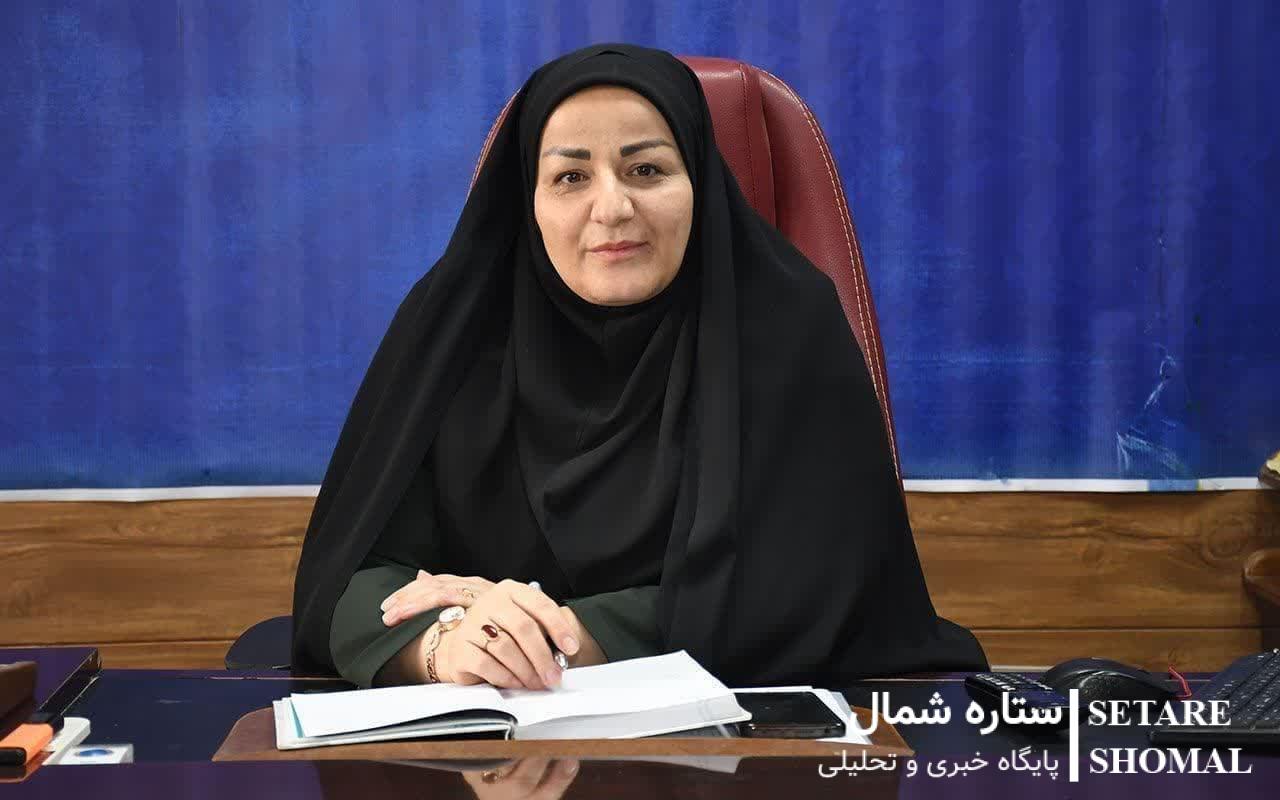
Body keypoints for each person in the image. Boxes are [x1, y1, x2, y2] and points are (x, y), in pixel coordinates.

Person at [291, 43, 988, 691]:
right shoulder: (451, 329)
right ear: (527, 202)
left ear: (701, 182)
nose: (613, 208)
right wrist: (445, 643)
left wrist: (547, 636)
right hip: (480, 743)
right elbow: (346, 575)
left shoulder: (788, 326)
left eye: (647, 170)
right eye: (570, 177)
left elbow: (809, 590)